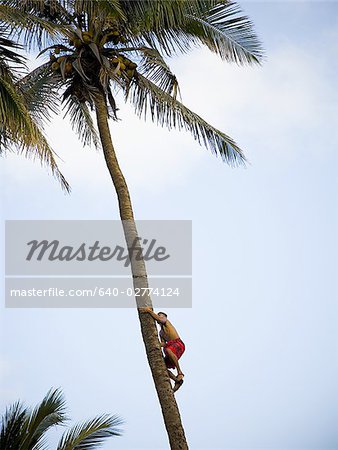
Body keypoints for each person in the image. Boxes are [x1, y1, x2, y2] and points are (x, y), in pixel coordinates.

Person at [140, 306, 185, 392]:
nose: (159, 317)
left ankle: (180, 372)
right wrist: (155, 345)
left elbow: (161, 320)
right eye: (158, 315)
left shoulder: (166, 321)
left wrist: (149, 311)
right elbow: (163, 343)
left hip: (178, 343)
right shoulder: (161, 333)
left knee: (167, 349)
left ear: (165, 317)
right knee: (163, 366)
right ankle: (177, 381)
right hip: (171, 347)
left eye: (160, 315)